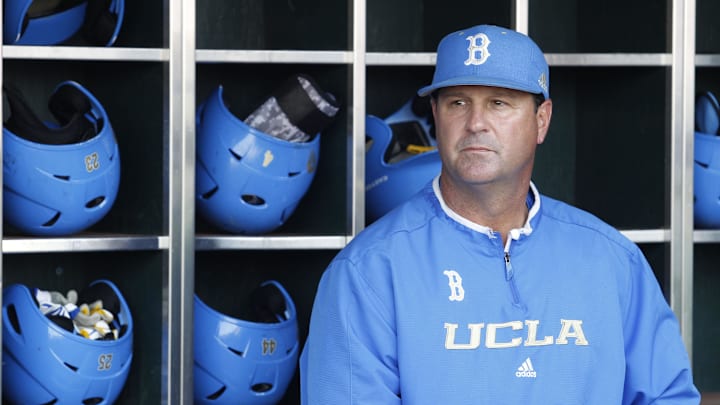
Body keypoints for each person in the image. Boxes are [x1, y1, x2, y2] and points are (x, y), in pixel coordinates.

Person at [299, 24, 700, 404]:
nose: (476, 123)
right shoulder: (367, 272)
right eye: (458, 103)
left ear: (540, 121)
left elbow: (667, 396)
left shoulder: (610, 258)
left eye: (498, 103)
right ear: (436, 117)